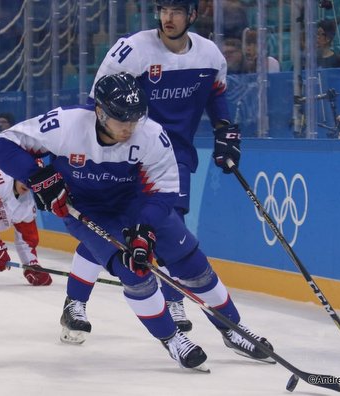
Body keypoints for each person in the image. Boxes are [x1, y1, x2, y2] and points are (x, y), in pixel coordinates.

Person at [0, 72, 274, 371]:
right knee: (134, 271)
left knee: (191, 263)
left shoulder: (151, 134)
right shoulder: (66, 125)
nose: (129, 127)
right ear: (100, 112)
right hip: (88, 209)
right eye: (121, 119)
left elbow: (165, 191)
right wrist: (38, 177)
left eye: (134, 119)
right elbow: (5, 146)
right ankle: (172, 338)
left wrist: (145, 228)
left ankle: (233, 330)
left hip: (137, 204)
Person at [61, 0, 242, 340]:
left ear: (192, 15)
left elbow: (216, 95)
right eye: (163, 10)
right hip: (124, 155)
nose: (167, 18)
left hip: (175, 157)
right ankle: (76, 302)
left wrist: (225, 131)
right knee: (108, 229)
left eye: (176, 11)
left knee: (168, 227)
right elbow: (94, 106)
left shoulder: (209, 55)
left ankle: (174, 300)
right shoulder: (131, 51)